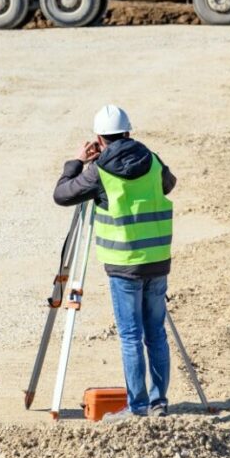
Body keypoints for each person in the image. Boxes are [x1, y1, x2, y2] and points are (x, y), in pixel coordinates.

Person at [53, 105, 177, 422]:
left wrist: (78, 163)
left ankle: (137, 408)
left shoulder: (99, 171)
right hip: (157, 260)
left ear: (99, 138)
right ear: (128, 132)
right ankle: (159, 402)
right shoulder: (151, 159)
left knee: (131, 337)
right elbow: (168, 183)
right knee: (156, 335)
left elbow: (62, 194)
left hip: (123, 265)